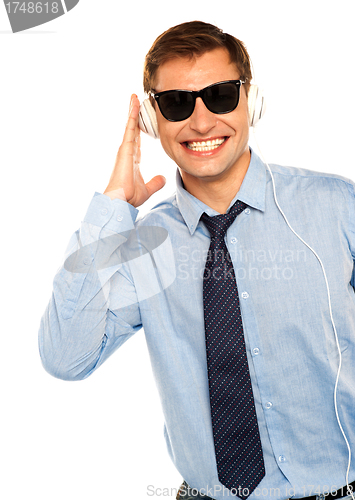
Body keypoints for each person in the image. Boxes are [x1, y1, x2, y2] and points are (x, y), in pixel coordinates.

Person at [39, 20, 355, 500]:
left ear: (252, 101)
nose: (202, 121)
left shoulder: (338, 208)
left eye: (222, 95)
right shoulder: (140, 242)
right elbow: (65, 357)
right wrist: (113, 208)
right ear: (151, 119)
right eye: (177, 103)